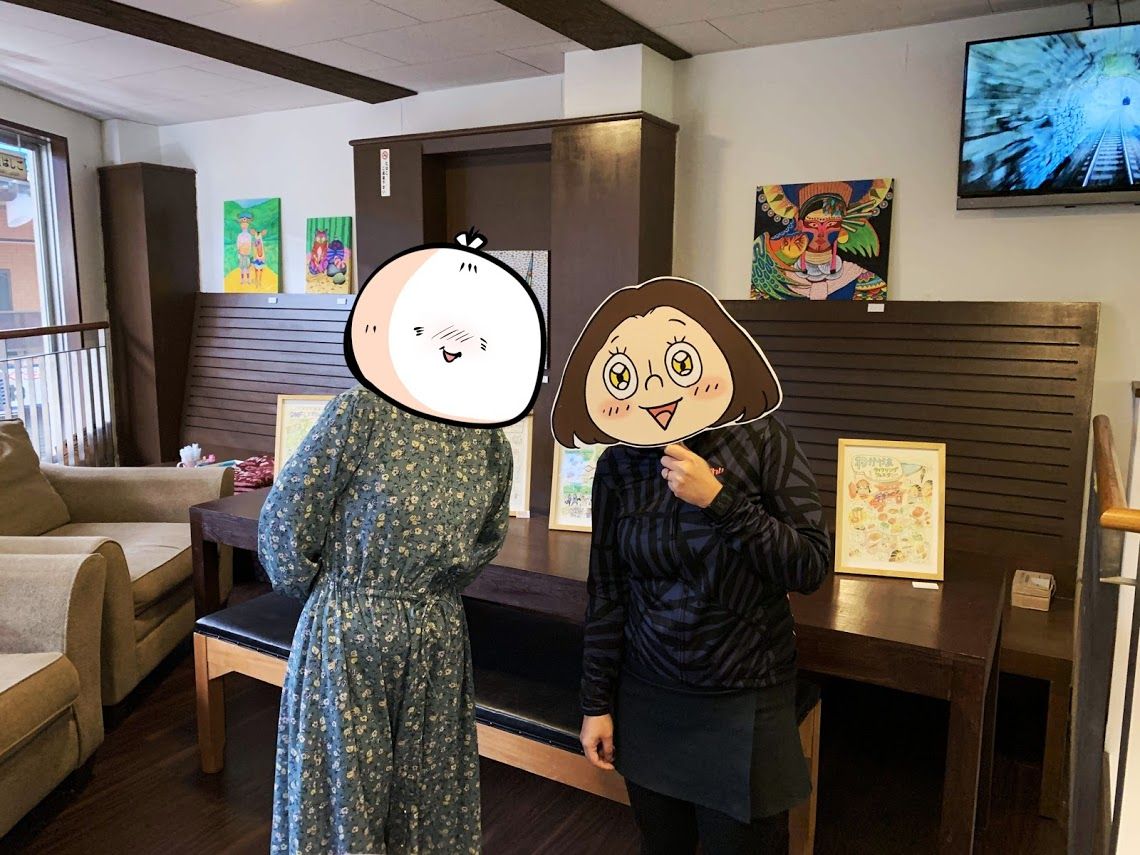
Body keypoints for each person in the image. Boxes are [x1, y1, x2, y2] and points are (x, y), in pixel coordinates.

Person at [259, 230, 545, 855]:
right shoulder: (394, 418)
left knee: (362, 796)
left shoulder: (446, 429)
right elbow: (483, 543)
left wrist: (331, 590)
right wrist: (348, 593)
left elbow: (287, 523)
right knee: (404, 798)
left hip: (374, 625)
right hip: (401, 627)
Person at [552, 277, 832, 855]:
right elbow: (608, 591)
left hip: (745, 697)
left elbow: (809, 566)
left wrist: (720, 501)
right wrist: (595, 703)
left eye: (679, 362)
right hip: (648, 695)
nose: (657, 388)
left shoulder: (761, 439)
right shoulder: (619, 465)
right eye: (628, 373)